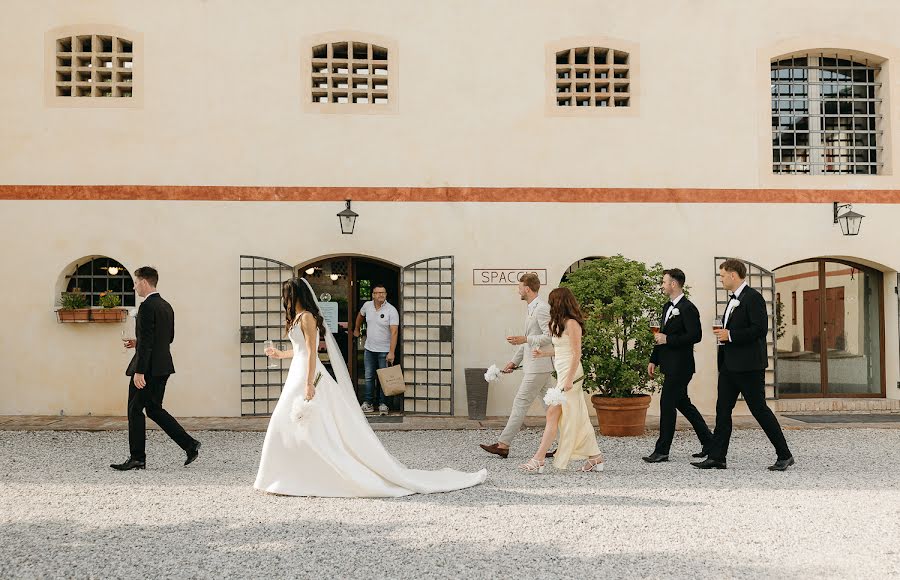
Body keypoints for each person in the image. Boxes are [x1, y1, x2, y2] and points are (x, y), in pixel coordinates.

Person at [254, 278, 486, 497]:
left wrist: (308, 383)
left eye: (286, 293)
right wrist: (279, 354)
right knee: (288, 421)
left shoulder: (306, 317)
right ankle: (289, 473)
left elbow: (312, 351)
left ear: (294, 294)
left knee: (310, 422)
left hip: (307, 374)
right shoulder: (297, 317)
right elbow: (300, 350)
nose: (283, 298)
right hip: (298, 370)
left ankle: (310, 472)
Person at [693, 259, 795, 471]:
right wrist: (725, 337)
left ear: (733, 275)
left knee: (759, 410)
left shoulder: (753, 298)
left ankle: (784, 454)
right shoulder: (732, 300)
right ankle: (717, 457)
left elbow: (759, 330)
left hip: (749, 366)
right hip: (729, 365)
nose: (721, 279)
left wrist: (730, 335)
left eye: (722, 276)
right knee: (722, 410)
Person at [110, 267, 200, 471]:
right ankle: (190, 445)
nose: (134, 287)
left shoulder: (147, 306)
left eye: (135, 282)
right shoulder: (166, 306)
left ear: (143, 282)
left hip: (148, 369)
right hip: (163, 366)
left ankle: (137, 458)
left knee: (134, 409)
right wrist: (138, 342)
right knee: (153, 409)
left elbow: (151, 341)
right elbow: (167, 338)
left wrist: (140, 371)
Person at [521, 287, 603, 474]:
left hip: (571, 376)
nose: (550, 306)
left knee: (553, 414)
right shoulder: (561, 323)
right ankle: (596, 457)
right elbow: (562, 350)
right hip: (564, 374)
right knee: (576, 416)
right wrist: (544, 353)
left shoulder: (573, 323)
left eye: (552, 303)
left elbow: (576, 353)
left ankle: (538, 459)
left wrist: (567, 380)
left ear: (559, 303)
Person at [479, 273, 555, 459]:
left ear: (527, 289)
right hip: (536, 366)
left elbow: (550, 337)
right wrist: (515, 361)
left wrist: (525, 339)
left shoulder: (542, 308)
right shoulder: (531, 308)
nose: (518, 290)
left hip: (539, 366)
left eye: (519, 287)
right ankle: (568, 444)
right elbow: (527, 341)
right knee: (552, 408)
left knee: (521, 403)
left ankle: (503, 444)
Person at [643, 268, 713, 463]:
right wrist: (653, 359)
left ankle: (662, 450)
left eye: (664, 282)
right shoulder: (667, 307)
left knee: (667, 404)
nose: (662, 285)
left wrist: (669, 339)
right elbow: (660, 336)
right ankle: (710, 443)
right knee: (684, 404)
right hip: (668, 364)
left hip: (681, 366)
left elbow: (695, 336)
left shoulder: (688, 308)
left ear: (673, 284)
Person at [353, 284, 399, 415]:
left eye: (383, 293)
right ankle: (368, 403)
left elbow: (394, 332)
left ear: (386, 295)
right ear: (373, 295)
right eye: (377, 293)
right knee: (368, 377)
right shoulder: (367, 306)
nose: (380, 295)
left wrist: (391, 352)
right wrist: (356, 329)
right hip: (369, 349)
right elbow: (360, 316)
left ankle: (383, 404)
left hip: (384, 350)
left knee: (384, 378)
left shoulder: (391, 310)